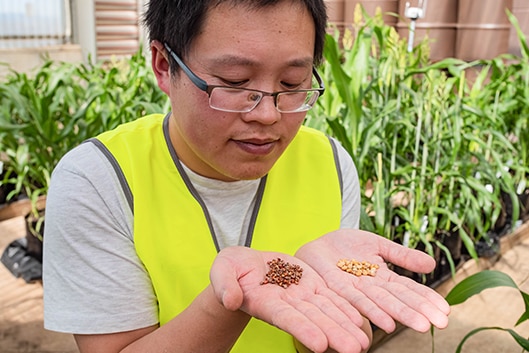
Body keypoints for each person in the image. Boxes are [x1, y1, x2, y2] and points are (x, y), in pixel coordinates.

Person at [42, 0, 450, 352]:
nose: (268, 114)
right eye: (235, 82)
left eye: (292, 83)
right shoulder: (100, 180)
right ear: (164, 66)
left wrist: (338, 307)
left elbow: (333, 338)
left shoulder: (329, 162)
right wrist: (226, 304)